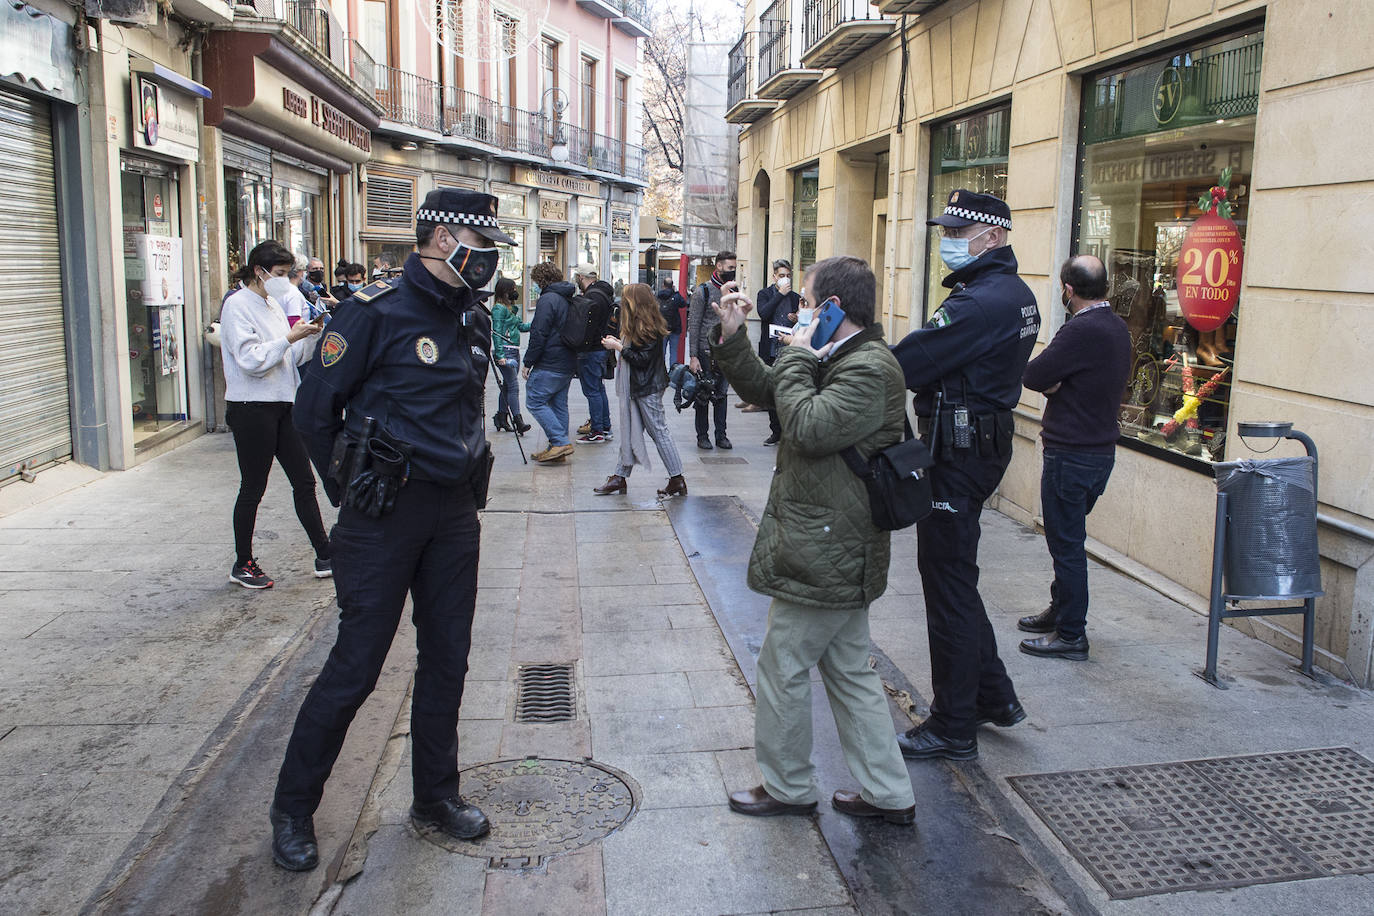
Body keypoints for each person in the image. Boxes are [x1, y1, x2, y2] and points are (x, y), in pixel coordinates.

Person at [269, 189, 513, 871]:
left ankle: (436, 796)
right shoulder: (370, 314)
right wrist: (350, 493)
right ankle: (293, 807)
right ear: (441, 240)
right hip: (383, 519)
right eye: (481, 244)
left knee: (447, 660)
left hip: (453, 516)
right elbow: (314, 412)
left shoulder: (471, 318)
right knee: (356, 668)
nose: (489, 258)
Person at [710, 256, 917, 825]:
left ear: (832, 309)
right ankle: (888, 792)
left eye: (805, 302)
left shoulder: (870, 368)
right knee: (850, 671)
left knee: (783, 665)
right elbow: (776, 392)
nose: (797, 311)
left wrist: (798, 352)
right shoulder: (840, 356)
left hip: (830, 545)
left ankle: (789, 786)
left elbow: (804, 424)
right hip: (829, 542)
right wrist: (734, 339)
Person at [890, 189, 1039, 761]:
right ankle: (991, 695)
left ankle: (953, 724)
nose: (949, 243)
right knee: (957, 577)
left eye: (959, 234)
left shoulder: (978, 304)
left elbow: (908, 362)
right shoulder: (1016, 293)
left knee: (947, 583)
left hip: (959, 454)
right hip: (976, 446)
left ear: (993, 238)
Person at [1018, 255, 1131, 661]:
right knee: (1068, 539)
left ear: (1068, 289)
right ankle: (1060, 610)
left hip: (1072, 454)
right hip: (1099, 453)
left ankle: (1071, 634)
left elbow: (1032, 375)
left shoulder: (1080, 330)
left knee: (1066, 546)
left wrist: (1055, 386)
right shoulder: (1117, 327)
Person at [218, 240, 329, 589]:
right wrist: (288, 338)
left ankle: (325, 554)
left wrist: (308, 337)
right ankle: (243, 562)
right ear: (259, 271)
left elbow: (287, 357)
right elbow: (250, 360)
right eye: (280, 274)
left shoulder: (271, 304)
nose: (285, 281)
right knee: (253, 486)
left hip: (283, 403)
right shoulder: (237, 306)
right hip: (252, 407)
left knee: (305, 481)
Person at [591, 283, 687, 498]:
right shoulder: (639, 323)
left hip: (646, 388)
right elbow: (636, 352)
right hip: (639, 386)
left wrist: (618, 348)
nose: (622, 304)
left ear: (634, 303)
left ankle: (677, 478)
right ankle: (619, 477)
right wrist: (619, 343)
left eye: (625, 300)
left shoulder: (648, 327)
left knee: (659, 432)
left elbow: (641, 360)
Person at [522, 261, 579, 463]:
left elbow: (539, 333)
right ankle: (557, 448)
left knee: (534, 401)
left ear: (541, 280)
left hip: (550, 362)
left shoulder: (547, 300)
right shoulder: (566, 298)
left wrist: (528, 362)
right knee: (558, 404)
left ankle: (560, 441)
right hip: (567, 361)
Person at [686, 250, 738, 450]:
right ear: (719, 266)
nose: (732, 271)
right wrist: (693, 356)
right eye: (730, 268)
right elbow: (694, 324)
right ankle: (702, 436)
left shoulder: (734, 292)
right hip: (705, 352)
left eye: (734, 268)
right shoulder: (703, 292)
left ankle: (721, 435)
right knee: (703, 395)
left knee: (722, 395)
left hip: (725, 353)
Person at [754, 259, 801, 446]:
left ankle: (788, 431)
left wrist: (797, 316)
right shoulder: (765, 294)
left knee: (789, 392)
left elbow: (804, 320)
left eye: (788, 276)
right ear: (774, 276)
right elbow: (763, 314)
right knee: (773, 392)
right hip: (771, 349)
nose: (785, 279)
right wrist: (780, 295)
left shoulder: (796, 297)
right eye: (781, 276)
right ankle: (776, 431)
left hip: (790, 350)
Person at [571, 264, 614, 444]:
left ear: (582, 278)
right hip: (601, 347)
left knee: (592, 391)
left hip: (591, 350)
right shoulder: (604, 293)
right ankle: (604, 426)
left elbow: (586, 326)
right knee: (598, 388)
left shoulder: (591, 297)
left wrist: (580, 346)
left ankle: (597, 430)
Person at [491, 277, 532, 434]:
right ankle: (518, 420)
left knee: (508, 387)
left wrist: (536, 324)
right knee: (513, 386)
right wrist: (500, 355)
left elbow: (520, 327)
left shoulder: (510, 308)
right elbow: (497, 332)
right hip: (506, 351)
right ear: (505, 291)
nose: (516, 292)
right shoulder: (499, 309)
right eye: (513, 289)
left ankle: (501, 417)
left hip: (514, 349)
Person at [656, 278, 686, 367]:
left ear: (663, 285)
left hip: (662, 328)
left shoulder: (658, 295)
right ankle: (673, 373)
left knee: (662, 352)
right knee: (673, 352)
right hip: (675, 328)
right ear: (672, 286)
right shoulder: (676, 296)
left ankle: (662, 372)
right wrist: (676, 292)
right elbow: (683, 304)